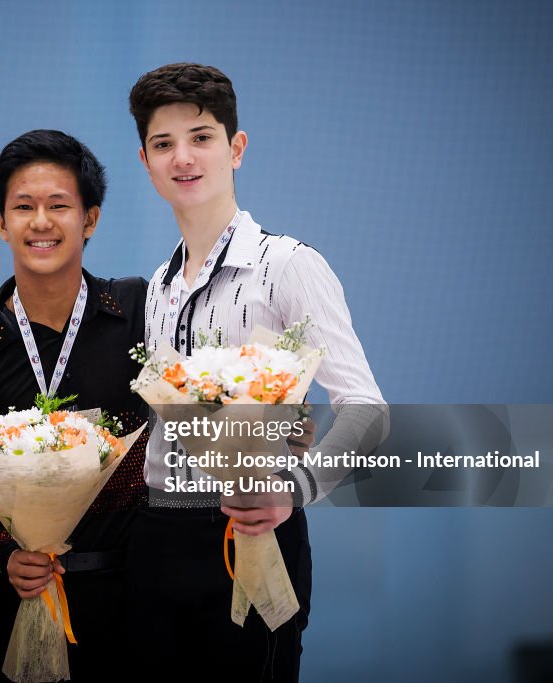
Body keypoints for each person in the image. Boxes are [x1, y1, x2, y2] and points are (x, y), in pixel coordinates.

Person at [127, 63, 387, 680]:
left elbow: (366, 409)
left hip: (254, 531)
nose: (183, 157)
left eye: (202, 137)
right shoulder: (157, 287)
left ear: (236, 148)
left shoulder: (287, 265)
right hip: (157, 538)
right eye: (163, 144)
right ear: (145, 161)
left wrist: (294, 488)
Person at [0, 130, 151, 680]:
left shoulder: (139, 311)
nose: (41, 221)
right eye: (23, 207)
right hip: (22, 603)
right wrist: (3, 555)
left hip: (142, 603)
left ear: (90, 219)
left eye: (59, 206)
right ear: (0, 222)